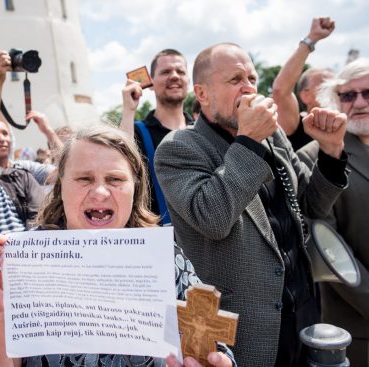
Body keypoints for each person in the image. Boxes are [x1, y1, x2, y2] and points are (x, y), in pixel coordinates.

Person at [0, 125, 235, 367]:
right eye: (84, 179)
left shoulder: (165, 260)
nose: (99, 192)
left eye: (114, 179)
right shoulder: (19, 263)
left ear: (135, 187)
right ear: (60, 185)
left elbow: (212, 347)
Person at [154, 43, 349, 366]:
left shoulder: (274, 137)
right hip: (245, 329)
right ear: (202, 94)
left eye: (252, 78)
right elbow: (213, 219)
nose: (248, 87)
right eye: (234, 80)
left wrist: (330, 152)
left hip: (303, 311)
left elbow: (312, 206)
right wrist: (248, 141)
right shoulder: (179, 148)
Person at [298, 57, 369, 367]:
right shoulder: (317, 155)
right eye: (348, 95)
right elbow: (327, 247)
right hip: (356, 326)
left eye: (368, 93)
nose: (359, 102)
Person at [120, 49, 193, 222]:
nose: (174, 76)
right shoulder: (137, 131)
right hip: (158, 238)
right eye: (166, 72)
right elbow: (120, 163)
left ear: (188, 81)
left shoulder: (202, 131)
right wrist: (128, 111)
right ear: (150, 83)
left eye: (180, 72)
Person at [0, 51, 63, 185]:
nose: (2, 138)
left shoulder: (25, 169)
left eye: (5, 133)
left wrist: (48, 132)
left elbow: (67, 171)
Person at [272, 17, 335, 151]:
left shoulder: (353, 125)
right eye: (325, 85)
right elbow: (280, 90)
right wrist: (312, 38)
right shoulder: (298, 126)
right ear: (305, 96)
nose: (334, 90)